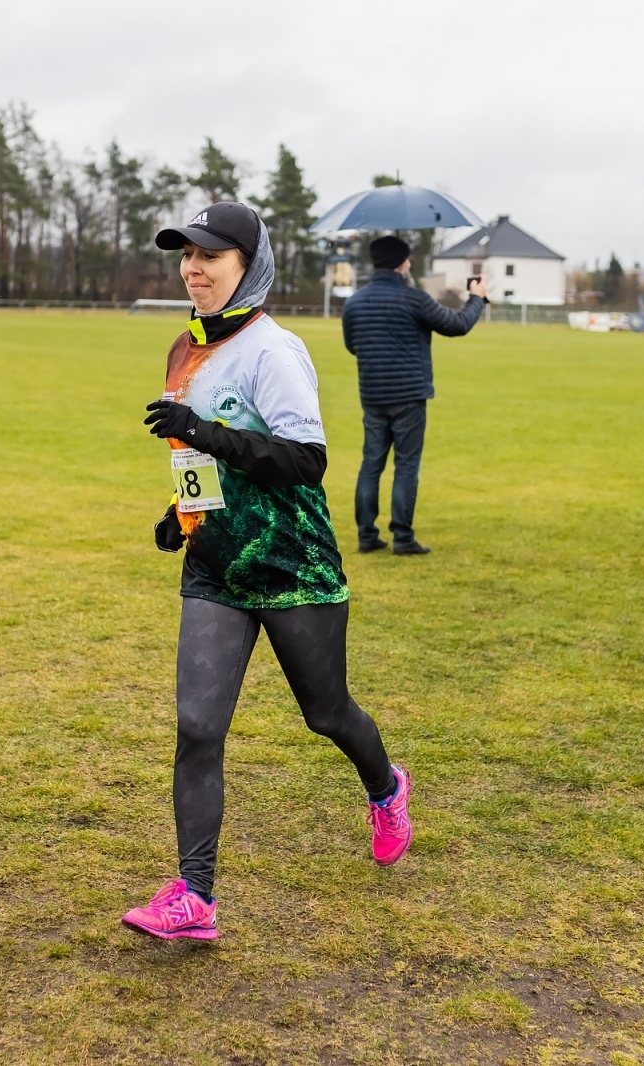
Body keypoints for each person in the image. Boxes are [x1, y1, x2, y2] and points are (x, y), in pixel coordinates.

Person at [121, 202, 412, 942]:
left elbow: (305, 462)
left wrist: (206, 432)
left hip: (291, 563)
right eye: (185, 256)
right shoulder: (184, 349)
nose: (193, 269)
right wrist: (180, 512)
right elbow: (194, 458)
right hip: (217, 563)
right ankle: (195, 897)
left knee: (327, 713)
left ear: (248, 265)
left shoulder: (273, 351)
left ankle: (385, 786)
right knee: (196, 726)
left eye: (209, 257)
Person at [341, 235, 488, 555]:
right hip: (409, 394)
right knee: (406, 465)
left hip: (373, 392)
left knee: (371, 463)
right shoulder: (414, 299)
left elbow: (353, 346)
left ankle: (367, 535)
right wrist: (477, 297)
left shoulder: (354, 302)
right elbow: (458, 324)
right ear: (401, 263)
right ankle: (403, 537)